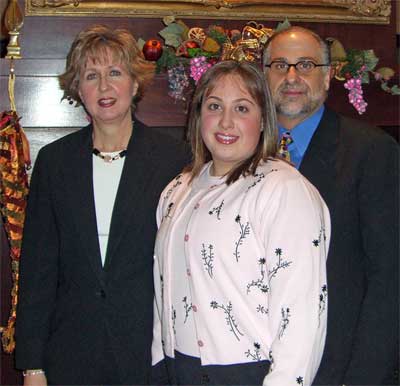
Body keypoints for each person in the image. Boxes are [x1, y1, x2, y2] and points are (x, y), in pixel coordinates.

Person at [15, 24, 189, 385]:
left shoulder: (174, 160)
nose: (105, 87)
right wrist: (33, 365)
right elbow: (38, 269)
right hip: (70, 352)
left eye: (115, 73)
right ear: (79, 88)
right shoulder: (55, 162)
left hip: (149, 352)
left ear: (135, 83)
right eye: (91, 75)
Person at [151, 60, 331, 386]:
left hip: (253, 373)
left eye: (242, 108)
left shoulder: (283, 190)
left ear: (263, 120)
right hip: (178, 369)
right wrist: (158, 362)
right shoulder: (177, 189)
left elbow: (301, 313)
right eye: (215, 106)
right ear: (198, 115)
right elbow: (163, 291)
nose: (226, 122)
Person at [263, 26, 399, 385]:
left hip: (338, 365)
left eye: (305, 65)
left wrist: (365, 376)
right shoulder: (242, 150)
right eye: (280, 65)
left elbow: (389, 278)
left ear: (327, 76)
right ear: (264, 76)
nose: (291, 77)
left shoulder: (371, 152)